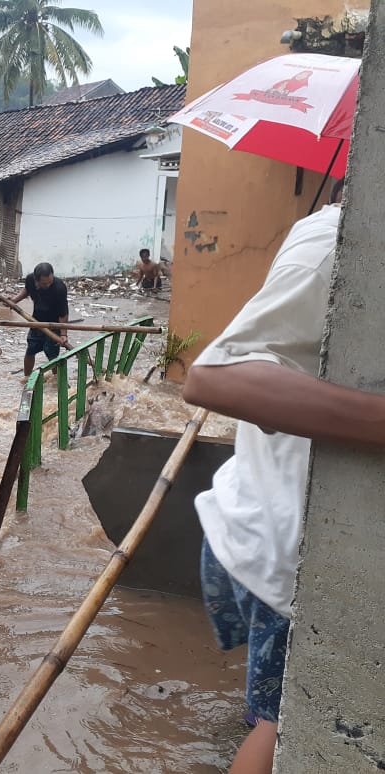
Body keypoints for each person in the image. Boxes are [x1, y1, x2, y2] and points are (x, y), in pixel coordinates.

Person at [182, 181, 385, 774]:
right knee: (284, 728)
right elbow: (213, 376)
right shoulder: (332, 244)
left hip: (270, 524)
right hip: (280, 547)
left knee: (276, 714)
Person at [6, 262, 68, 376]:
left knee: (52, 356)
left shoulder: (59, 288)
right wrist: (14, 300)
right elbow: (27, 290)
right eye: (44, 283)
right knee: (30, 351)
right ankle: (27, 377)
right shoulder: (30, 279)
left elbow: (63, 314)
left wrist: (63, 334)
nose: (48, 285)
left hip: (53, 326)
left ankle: (56, 381)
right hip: (36, 322)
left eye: (50, 282)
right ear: (36, 280)